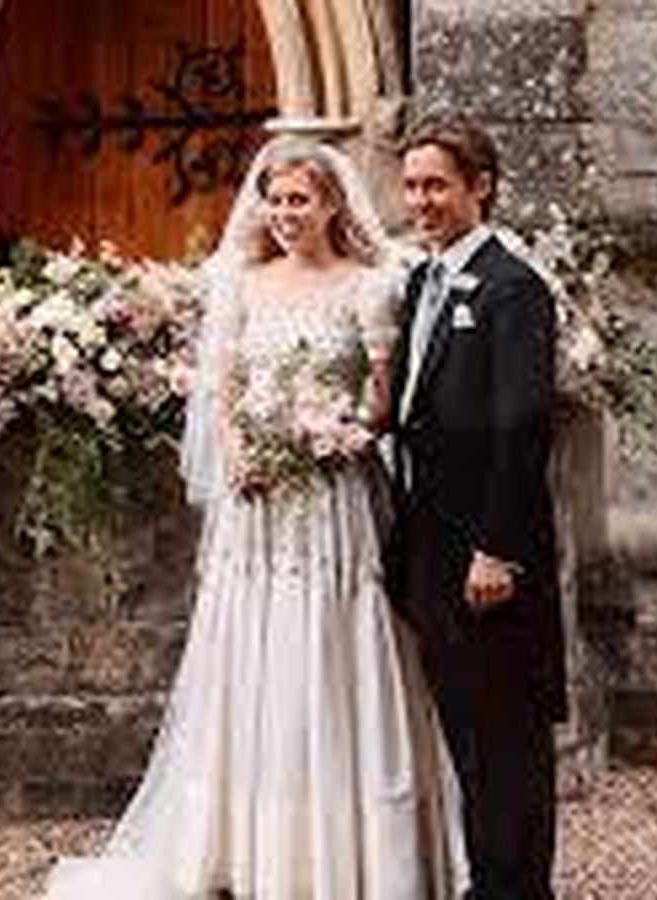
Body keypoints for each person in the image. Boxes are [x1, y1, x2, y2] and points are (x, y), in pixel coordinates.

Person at [45, 137, 466, 898]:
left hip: (334, 501)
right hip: (257, 508)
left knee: (336, 646)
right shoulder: (243, 283)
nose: (284, 213)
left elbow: (382, 398)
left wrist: (339, 436)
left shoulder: (370, 286)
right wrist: (241, 453)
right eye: (275, 200)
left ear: (332, 204)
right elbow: (225, 388)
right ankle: (247, 847)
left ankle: (352, 854)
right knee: (254, 650)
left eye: (299, 200)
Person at [387, 115, 564, 898]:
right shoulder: (421, 281)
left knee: (506, 733)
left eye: (436, 185)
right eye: (411, 186)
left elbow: (522, 430)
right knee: (465, 729)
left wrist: (496, 550)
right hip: (431, 547)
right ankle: (488, 881)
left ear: (480, 187)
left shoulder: (513, 288)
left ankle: (516, 889)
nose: (420, 201)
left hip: (487, 556)